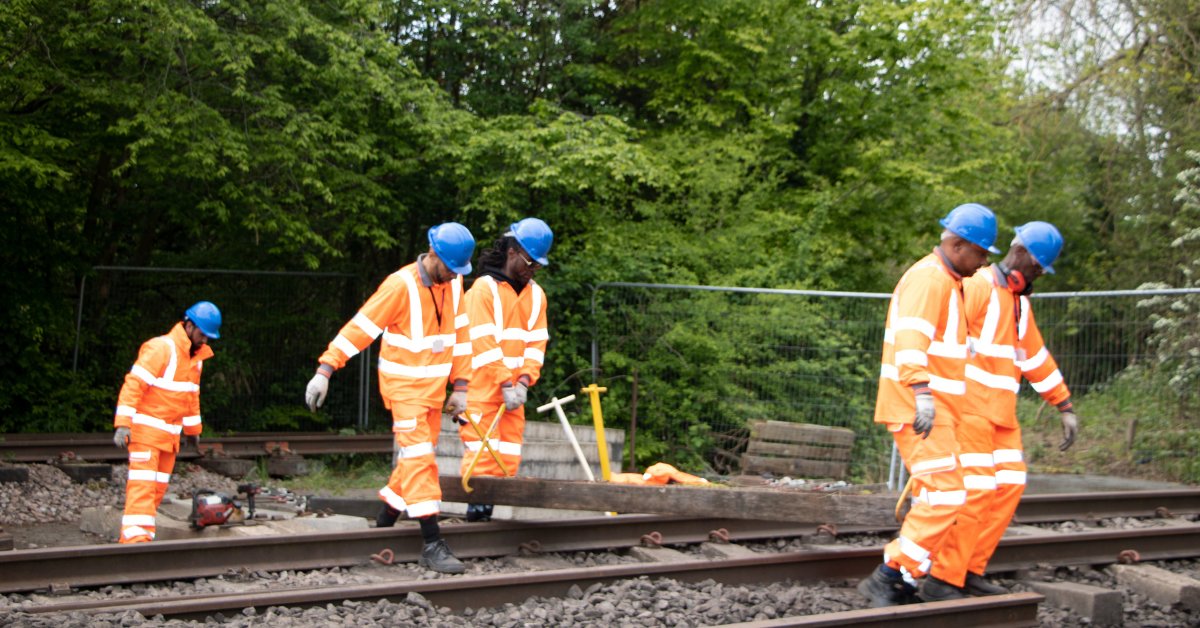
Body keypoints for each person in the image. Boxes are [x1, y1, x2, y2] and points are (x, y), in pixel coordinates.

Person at [304, 222, 475, 574]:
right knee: (420, 460)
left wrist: (460, 385)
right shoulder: (400, 286)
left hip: (433, 391)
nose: (455, 276)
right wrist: (325, 369)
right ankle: (431, 541)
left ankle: (382, 527)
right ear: (433, 256)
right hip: (404, 390)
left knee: (413, 461)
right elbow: (361, 328)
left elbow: (461, 335)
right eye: (451, 268)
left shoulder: (454, 281)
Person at [858, 203, 998, 606]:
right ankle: (887, 575)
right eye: (981, 253)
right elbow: (911, 340)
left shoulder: (947, 282)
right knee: (946, 496)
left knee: (941, 495)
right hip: (919, 410)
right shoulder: (930, 280)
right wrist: (922, 395)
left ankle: (900, 575)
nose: (985, 262)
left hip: (932, 411)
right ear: (957, 245)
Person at [938, 221, 1077, 596]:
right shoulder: (978, 286)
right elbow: (942, 336)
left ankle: (970, 569)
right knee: (978, 490)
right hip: (969, 409)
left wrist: (1063, 404)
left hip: (1000, 415)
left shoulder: (1019, 304)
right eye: (1036, 268)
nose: (1037, 277)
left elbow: (1034, 357)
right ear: (1019, 255)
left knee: (1010, 486)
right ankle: (944, 577)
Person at [458, 218, 552, 522]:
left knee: (507, 459)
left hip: (513, 395)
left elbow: (536, 344)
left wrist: (524, 381)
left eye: (538, 265)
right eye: (530, 262)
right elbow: (483, 343)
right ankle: (477, 522)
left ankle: (486, 526)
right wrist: (505, 383)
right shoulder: (483, 290)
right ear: (513, 252)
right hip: (482, 392)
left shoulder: (536, 295)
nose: (533, 269)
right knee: (481, 460)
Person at [113, 301, 221, 543]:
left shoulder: (196, 358)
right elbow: (134, 384)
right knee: (142, 489)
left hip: (169, 438)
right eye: (203, 334)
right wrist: (123, 423)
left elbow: (192, 395)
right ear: (189, 325)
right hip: (146, 436)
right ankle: (134, 542)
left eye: (208, 337)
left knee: (156, 491)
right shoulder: (161, 348)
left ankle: (143, 538)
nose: (205, 341)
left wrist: (193, 430)